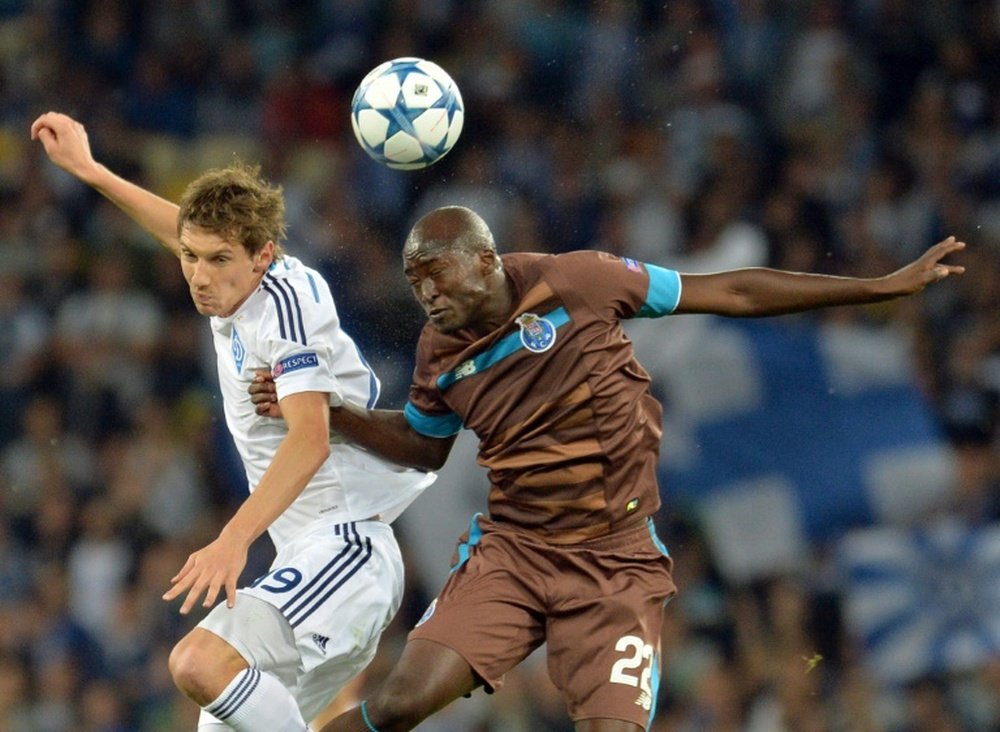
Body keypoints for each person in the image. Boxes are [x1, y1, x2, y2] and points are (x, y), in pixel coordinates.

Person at [249, 206, 966, 731]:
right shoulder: (441, 353)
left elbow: (729, 292)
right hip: (516, 553)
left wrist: (876, 288)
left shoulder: (583, 282)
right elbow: (424, 444)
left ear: (486, 260)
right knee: (402, 703)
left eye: (436, 273)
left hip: (616, 564)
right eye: (414, 282)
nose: (427, 295)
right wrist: (335, 416)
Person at [30, 111, 436, 732]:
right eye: (191, 257)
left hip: (347, 549)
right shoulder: (232, 279)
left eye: (217, 259)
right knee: (213, 700)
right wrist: (90, 170)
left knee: (197, 662)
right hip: (305, 556)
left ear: (263, 256)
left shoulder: (287, 307)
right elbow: (180, 231)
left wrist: (232, 540)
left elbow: (311, 438)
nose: (198, 275)